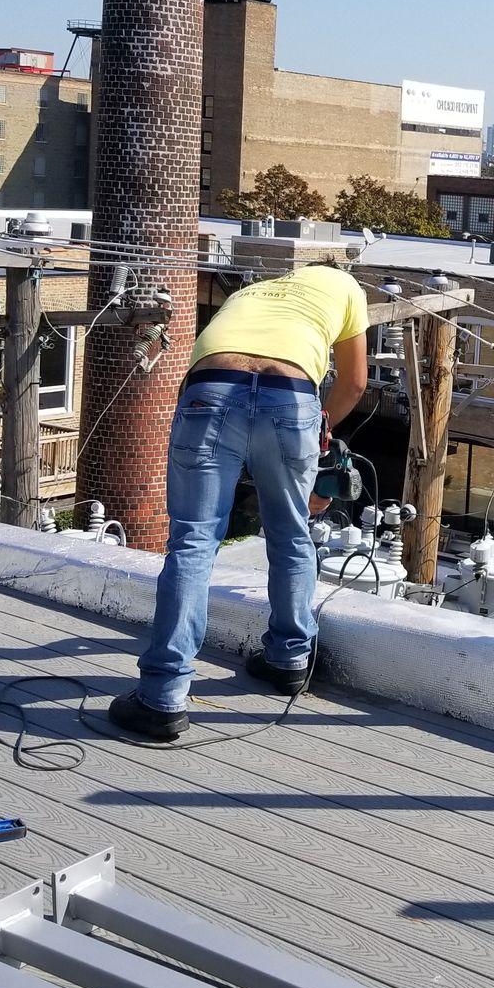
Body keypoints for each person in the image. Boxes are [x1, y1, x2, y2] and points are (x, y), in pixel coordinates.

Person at [111, 261, 369, 740]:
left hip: (212, 390)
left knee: (192, 541)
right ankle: (289, 659)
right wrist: (321, 430)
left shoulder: (256, 290)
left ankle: (162, 699)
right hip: (290, 393)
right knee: (291, 532)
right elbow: (354, 383)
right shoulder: (346, 286)